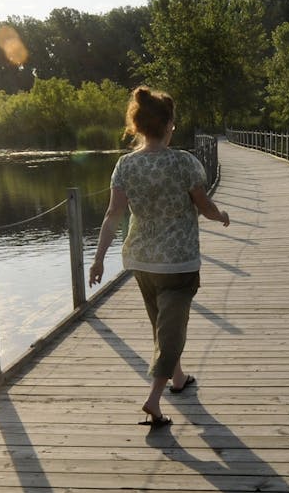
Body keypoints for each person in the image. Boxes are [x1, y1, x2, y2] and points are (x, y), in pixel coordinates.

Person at [89, 86, 230, 428]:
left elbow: (112, 215)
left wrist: (98, 258)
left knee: (161, 324)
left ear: (137, 126)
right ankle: (154, 398)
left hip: (141, 261)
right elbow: (204, 205)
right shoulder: (183, 162)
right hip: (178, 261)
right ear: (168, 125)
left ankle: (178, 378)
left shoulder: (125, 166)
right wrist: (220, 215)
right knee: (172, 329)